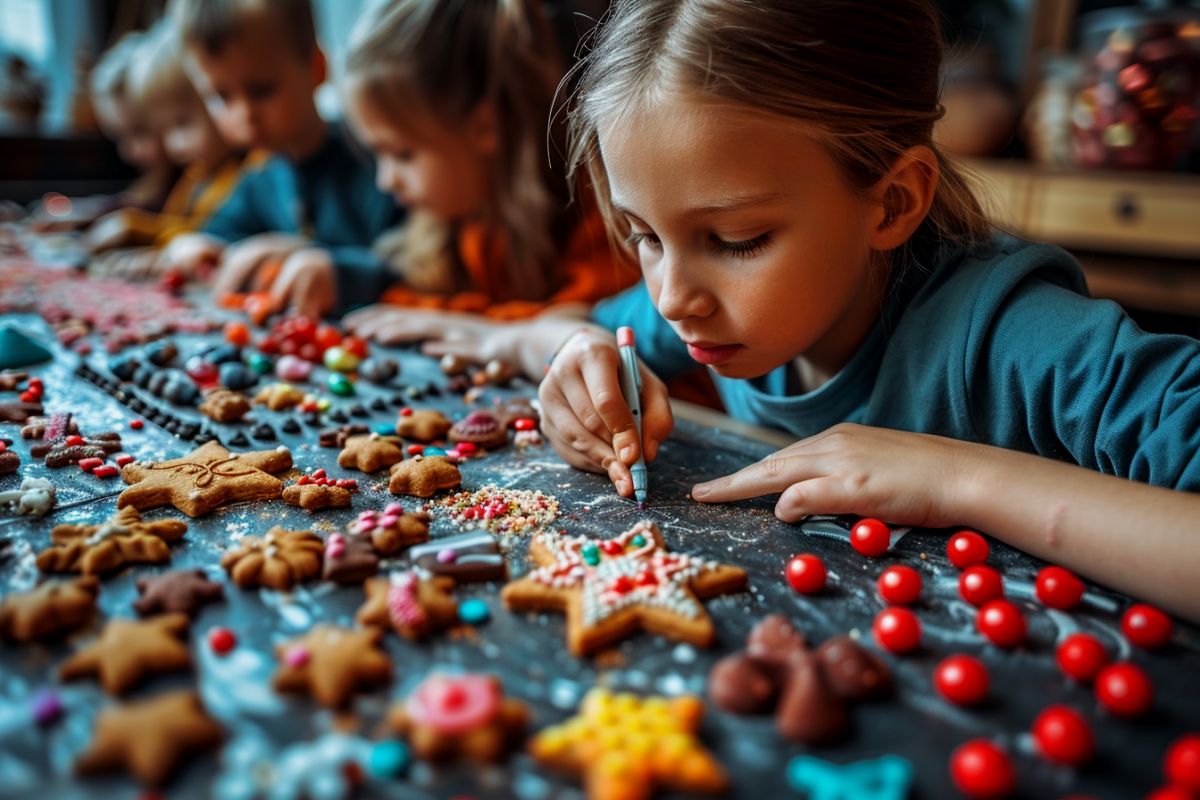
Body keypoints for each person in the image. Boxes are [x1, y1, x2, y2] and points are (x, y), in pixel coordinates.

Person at [537, 0, 1200, 620]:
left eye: (738, 240)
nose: (672, 297)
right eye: (644, 236)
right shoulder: (716, 310)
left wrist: (956, 478)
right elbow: (568, 331)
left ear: (892, 203)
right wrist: (579, 362)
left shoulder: (1020, 339)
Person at [339, 0, 635, 345]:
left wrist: (457, 322)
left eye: (403, 155)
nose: (385, 180)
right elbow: (406, 305)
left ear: (483, 127)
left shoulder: (594, 209)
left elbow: (580, 328)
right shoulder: (454, 220)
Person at [161, 0, 401, 316]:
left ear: (316, 69)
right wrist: (197, 245)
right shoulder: (259, 178)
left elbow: (414, 263)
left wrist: (332, 266)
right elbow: (221, 230)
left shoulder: (380, 163)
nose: (244, 115)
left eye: (261, 90)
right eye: (221, 96)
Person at [87, 20, 247, 277]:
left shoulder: (247, 175)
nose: (173, 144)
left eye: (182, 123)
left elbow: (208, 240)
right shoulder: (195, 176)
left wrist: (140, 234)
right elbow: (180, 229)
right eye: (164, 129)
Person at [30, 31, 176, 232]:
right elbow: (133, 201)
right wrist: (84, 211)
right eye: (118, 136)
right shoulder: (156, 176)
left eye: (139, 131)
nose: (128, 152)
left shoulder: (190, 178)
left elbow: (150, 212)